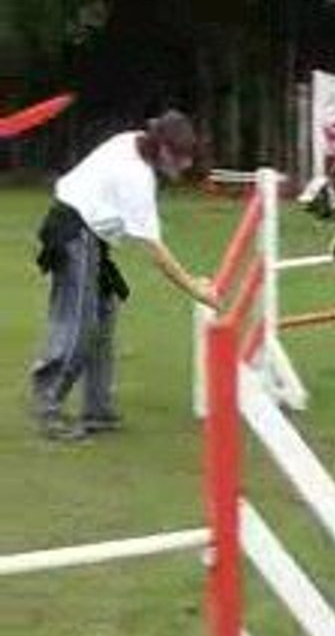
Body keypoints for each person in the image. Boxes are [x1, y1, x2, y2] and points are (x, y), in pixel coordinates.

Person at [31, 110, 220, 440]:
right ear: (162, 149)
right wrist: (195, 289)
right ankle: (48, 405)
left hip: (90, 235)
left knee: (104, 313)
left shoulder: (132, 140)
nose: (186, 165)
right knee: (80, 323)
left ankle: (97, 409)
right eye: (181, 157)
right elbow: (156, 252)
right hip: (72, 232)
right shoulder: (137, 178)